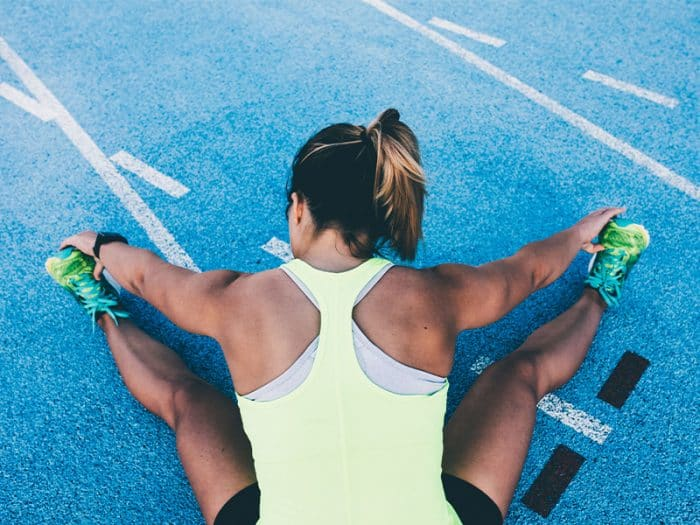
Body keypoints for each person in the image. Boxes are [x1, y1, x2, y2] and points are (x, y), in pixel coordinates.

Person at [46, 108, 650, 525]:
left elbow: (150, 278)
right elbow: (528, 272)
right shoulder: (438, 295)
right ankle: (602, 288)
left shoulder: (233, 301)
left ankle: (100, 306)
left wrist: (102, 248)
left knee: (185, 399)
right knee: (520, 374)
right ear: (382, 214)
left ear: (298, 208)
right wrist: (579, 234)